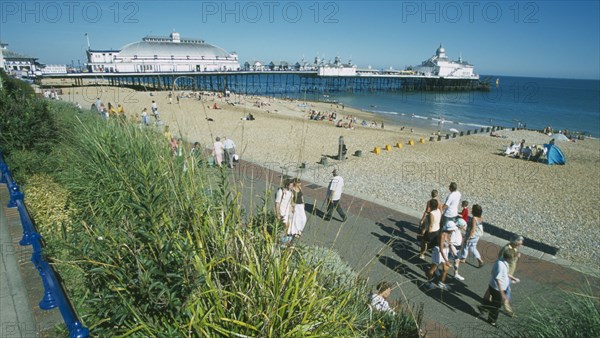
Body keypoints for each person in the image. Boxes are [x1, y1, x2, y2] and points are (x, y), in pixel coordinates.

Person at [478, 249, 514, 327]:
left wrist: (512, 277)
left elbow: (504, 274)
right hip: (497, 289)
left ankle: (483, 307)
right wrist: (502, 293)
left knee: (494, 304)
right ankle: (492, 321)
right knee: (496, 307)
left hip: (494, 286)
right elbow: (498, 279)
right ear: (508, 258)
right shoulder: (501, 266)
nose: (513, 260)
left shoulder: (503, 261)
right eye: (512, 259)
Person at [498, 235, 524, 316]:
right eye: (519, 242)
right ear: (515, 241)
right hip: (506, 274)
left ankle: (485, 303)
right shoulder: (507, 249)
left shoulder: (514, 248)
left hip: (509, 273)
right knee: (507, 290)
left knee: (493, 288)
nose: (521, 244)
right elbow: (502, 259)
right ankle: (507, 307)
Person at [425, 222, 455, 291]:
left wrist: (455, 254)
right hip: (438, 252)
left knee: (446, 269)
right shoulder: (442, 235)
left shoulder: (449, 234)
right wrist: (447, 260)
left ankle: (441, 283)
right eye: (452, 229)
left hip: (445, 252)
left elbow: (449, 244)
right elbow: (441, 249)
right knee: (433, 268)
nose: (453, 230)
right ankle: (428, 282)